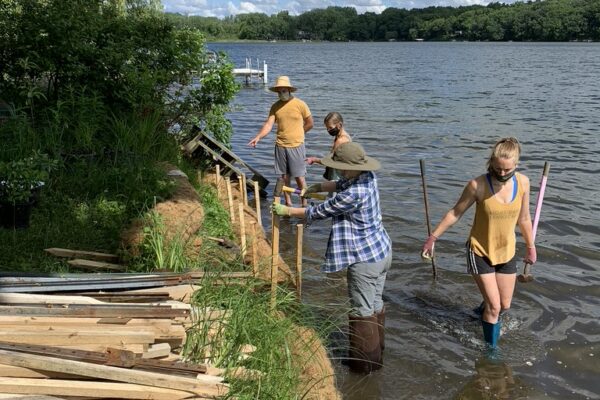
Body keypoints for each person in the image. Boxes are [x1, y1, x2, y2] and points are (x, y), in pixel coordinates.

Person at [272, 142, 392, 373]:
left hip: (365, 259)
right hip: (381, 251)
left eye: (340, 167)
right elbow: (338, 183)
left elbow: (318, 212)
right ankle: (376, 359)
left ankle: (362, 367)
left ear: (350, 166)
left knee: (362, 311)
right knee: (375, 305)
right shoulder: (366, 177)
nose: (338, 171)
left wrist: (287, 211)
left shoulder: (353, 194)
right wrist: (316, 186)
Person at [421, 137, 536, 349]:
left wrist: (530, 247)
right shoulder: (477, 185)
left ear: (516, 165)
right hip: (480, 251)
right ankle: (491, 351)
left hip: (507, 251)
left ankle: (480, 313)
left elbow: (525, 219)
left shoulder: (523, 183)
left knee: (505, 305)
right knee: (494, 306)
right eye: (497, 168)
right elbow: (455, 213)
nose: (502, 174)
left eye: (507, 170)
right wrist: (433, 237)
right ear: (491, 162)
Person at [248, 76, 313, 206]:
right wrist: (258, 137)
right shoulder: (275, 107)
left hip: (296, 145)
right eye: (279, 91)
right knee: (284, 178)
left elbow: (310, 123)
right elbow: (268, 124)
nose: (281, 94)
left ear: (289, 90)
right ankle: (288, 204)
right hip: (280, 146)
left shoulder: (300, 104)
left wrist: (300, 133)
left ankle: (304, 205)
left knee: (300, 177)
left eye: (283, 91)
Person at [305, 111, 352, 181]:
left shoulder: (341, 140)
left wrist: (314, 160)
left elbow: (330, 161)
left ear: (339, 125)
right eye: (327, 128)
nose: (328, 130)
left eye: (330, 127)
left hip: (338, 176)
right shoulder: (346, 136)